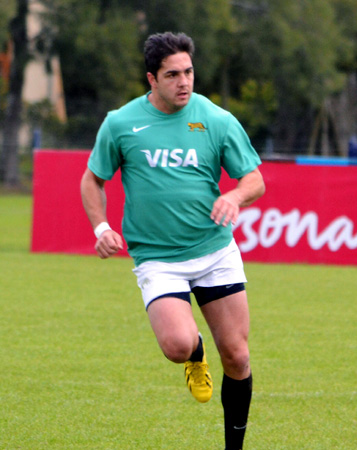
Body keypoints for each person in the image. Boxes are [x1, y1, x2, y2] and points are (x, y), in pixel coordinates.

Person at [80, 32, 265, 450]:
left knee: (237, 356)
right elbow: (92, 179)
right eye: (172, 75)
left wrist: (234, 195)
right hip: (158, 259)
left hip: (215, 252)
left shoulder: (215, 119)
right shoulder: (122, 123)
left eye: (188, 72)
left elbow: (254, 179)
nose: (184, 82)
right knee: (178, 346)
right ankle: (196, 354)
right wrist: (100, 228)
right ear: (152, 79)